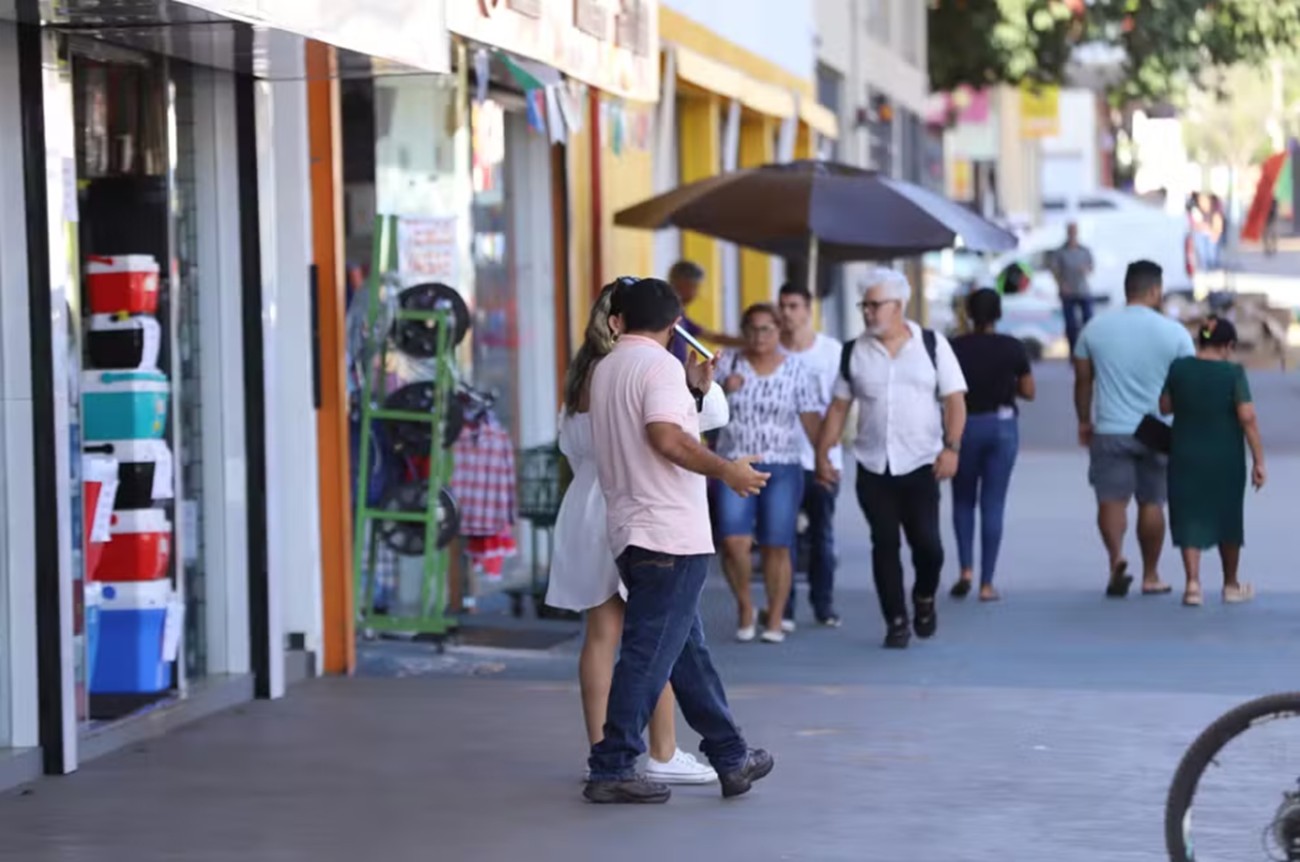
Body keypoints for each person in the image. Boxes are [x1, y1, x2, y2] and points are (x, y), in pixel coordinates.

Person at [585, 276, 773, 804]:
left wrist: (692, 389)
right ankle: (613, 765)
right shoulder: (660, 366)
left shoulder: (608, 369)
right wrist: (727, 472)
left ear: (617, 321)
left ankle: (730, 756)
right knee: (649, 654)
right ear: (674, 327)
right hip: (670, 532)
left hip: (633, 529)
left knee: (685, 653)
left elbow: (650, 425)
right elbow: (665, 438)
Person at [546, 281, 725, 786]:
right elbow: (693, 425)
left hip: (585, 505)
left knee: (603, 635)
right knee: (655, 635)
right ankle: (661, 752)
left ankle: (602, 750)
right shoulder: (655, 368)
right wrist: (697, 388)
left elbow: (570, 444)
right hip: (640, 501)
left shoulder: (589, 372)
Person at [815, 268, 968, 649]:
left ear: (898, 305)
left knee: (929, 547)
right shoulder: (854, 351)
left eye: (874, 304)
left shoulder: (932, 345)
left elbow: (954, 401)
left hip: (921, 462)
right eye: (864, 305)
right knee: (884, 542)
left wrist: (952, 447)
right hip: (872, 464)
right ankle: (896, 620)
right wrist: (823, 453)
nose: (867, 312)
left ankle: (924, 598)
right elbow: (838, 408)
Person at [1073, 259, 1194, 598]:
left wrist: (1084, 420)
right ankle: (1152, 575)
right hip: (1157, 431)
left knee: (1111, 500)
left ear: (1127, 288)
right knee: (1152, 501)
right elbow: (1185, 385)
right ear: (1155, 290)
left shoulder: (1094, 329)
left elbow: (1083, 381)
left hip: (1110, 428)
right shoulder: (1175, 333)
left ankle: (1116, 559)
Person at [714, 303, 825, 644]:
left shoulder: (797, 370)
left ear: (779, 332)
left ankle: (775, 615)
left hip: (782, 465)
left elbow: (810, 418)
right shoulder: (727, 366)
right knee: (734, 542)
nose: (759, 336)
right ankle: (746, 605)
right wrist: (722, 390)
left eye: (767, 329)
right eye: (752, 329)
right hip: (734, 463)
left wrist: (823, 459)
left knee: (777, 544)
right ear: (744, 331)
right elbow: (699, 410)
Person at [1160, 316, 1266, 607]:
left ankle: (1192, 584)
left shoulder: (1179, 368)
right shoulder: (1233, 373)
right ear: (1229, 345)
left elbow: (1164, 406)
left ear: (1201, 340)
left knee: (1188, 515)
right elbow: (1247, 417)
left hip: (1185, 454)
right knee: (1227, 517)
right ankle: (1230, 584)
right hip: (1225, 458)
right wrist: (1259, 460)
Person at [948, 289, 1035, 602]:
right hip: (1001, 427)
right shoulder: (1012, 347)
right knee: (993, 503)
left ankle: (965, 570)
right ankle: (987, 583)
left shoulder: (954, 348)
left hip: (964, 426)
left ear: (969, 314)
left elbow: (943, 391)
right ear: (999, 314)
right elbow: (1029, 391)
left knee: (962, 500)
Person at [777, 282, 844, 627]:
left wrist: (828, 453)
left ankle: (824, 605)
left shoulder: (831, 352)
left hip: (822, 457)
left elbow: (842, 404)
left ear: (808, 309)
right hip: (781, 458)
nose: (787, 313)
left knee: (822, 535)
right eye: (783, 306)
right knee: (781, 536)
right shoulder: (771, 351)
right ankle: (783, 608)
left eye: (794, 306)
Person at [666, 260, 744, 363]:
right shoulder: (666, 312)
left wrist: (752, 342)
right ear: (683, 283)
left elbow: (713, 337)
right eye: (695, 287)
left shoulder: (680, 315)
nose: (696, 294)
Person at [1049, 221, 1095, 354]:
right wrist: (1061, 284)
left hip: (1083, 290)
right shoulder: (1060, 252)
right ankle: (1073, 352)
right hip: (1068, 291)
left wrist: (1086, 269)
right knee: (1071, 325)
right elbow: (1054, 270)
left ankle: (1088, 350)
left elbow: (1091, 267)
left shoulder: (1084, 250)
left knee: (1088, 320)